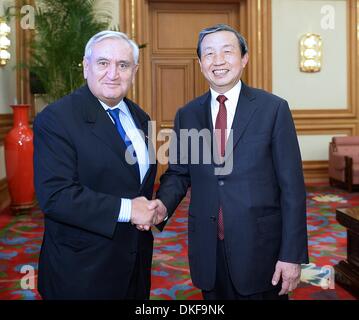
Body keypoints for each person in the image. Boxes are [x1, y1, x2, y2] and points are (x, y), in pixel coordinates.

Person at [150, 24, 309, 300]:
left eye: (227, 51)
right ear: (200, 64)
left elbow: (292, 189)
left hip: (261, 250)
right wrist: (160, 206)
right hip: (208, 249)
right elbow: (178, 173)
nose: (218, 61)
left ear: (244, 58)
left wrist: (291, 255)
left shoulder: (273, 109)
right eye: (209, 54)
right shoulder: (187, 114)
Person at [33, 31, 159, 299]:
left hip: (134, 264)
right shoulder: (56, 119)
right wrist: (129, 210)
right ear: (86, 66)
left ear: (134, 71)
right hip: (83, 271)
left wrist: (152, 207)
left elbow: (138, 181)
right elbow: (56, 196)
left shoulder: (141, 117)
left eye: (123, 65)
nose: (113, 73)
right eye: (103, 63)